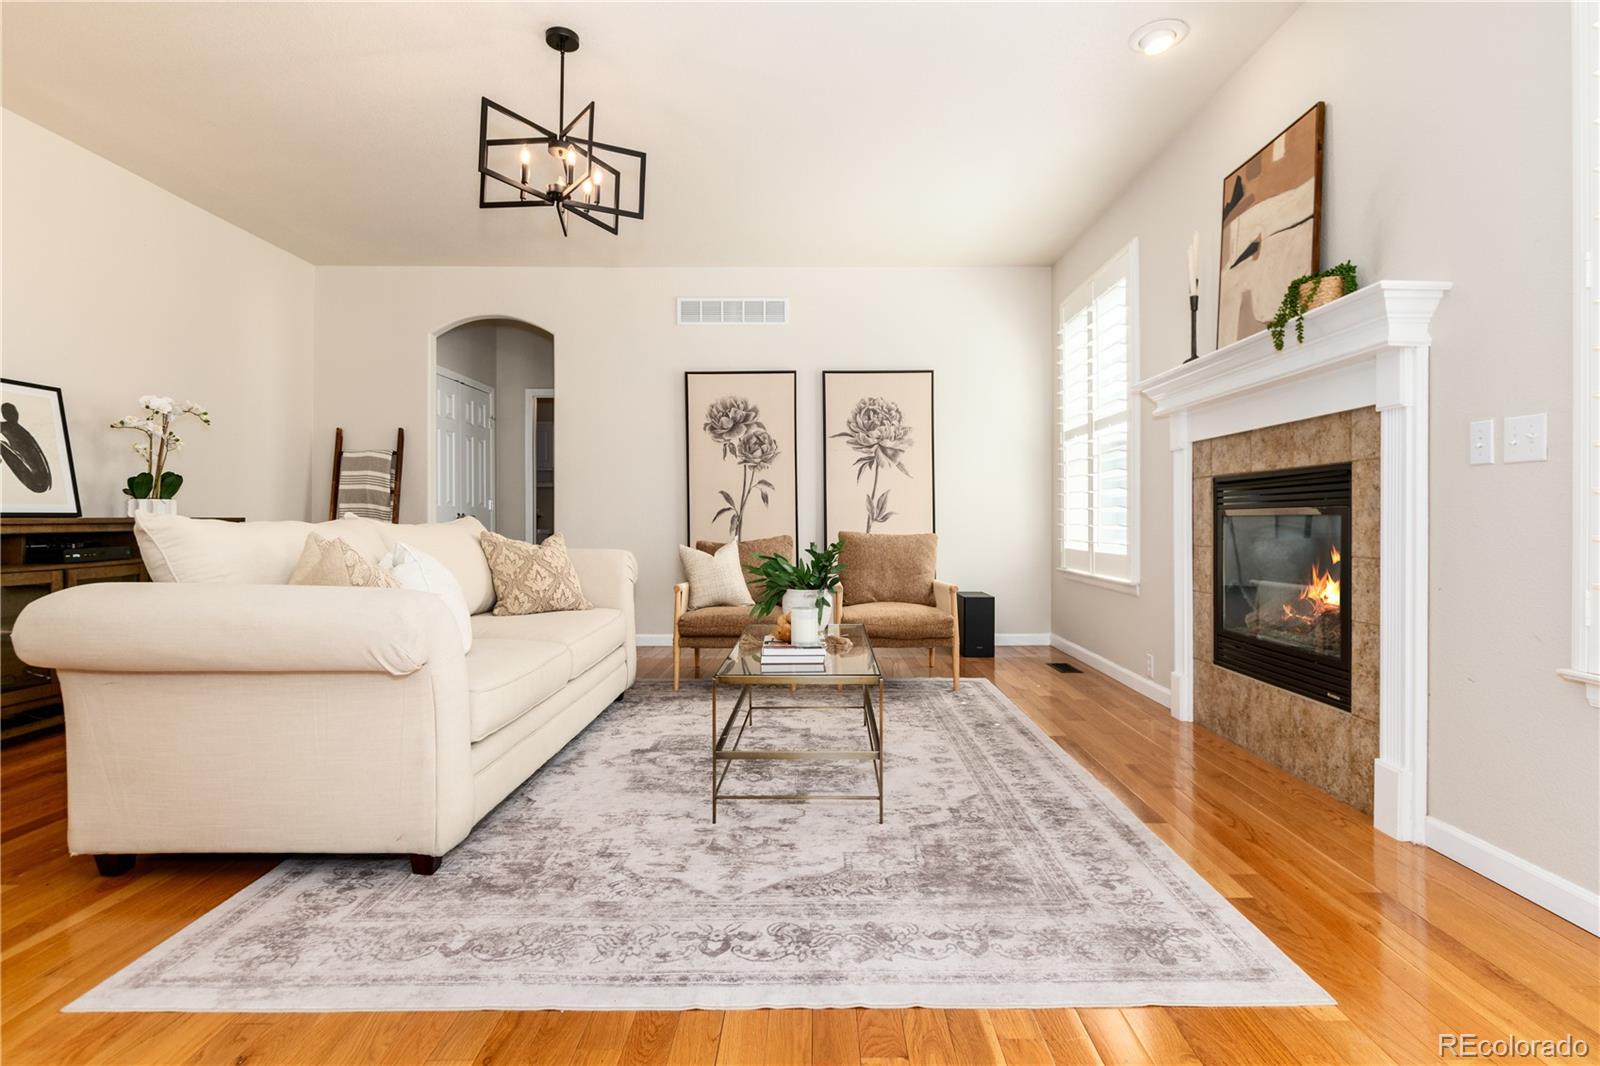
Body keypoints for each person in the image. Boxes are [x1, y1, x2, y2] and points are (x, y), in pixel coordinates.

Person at [0, 402, 53, 493]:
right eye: (9, 412)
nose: (14, 414)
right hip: (33, 474)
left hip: (37, 472)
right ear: (4, 415)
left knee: (41, 482)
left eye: (14, 412)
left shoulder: (18, 428)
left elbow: (36, 449)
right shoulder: (5, 426)